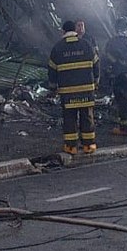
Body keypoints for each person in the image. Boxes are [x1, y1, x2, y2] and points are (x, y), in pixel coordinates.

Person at [48, 20, 99, 154]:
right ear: (75, 31)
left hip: (68, 92)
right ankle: (89, 146)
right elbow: (96, 64)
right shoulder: (86, 45)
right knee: (87, 117)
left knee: (69, 118)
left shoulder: (57, 48)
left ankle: (71, 147)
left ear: (63, 32)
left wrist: (52, 88)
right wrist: (96, 81)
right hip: (86, 90)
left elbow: (52, 71)